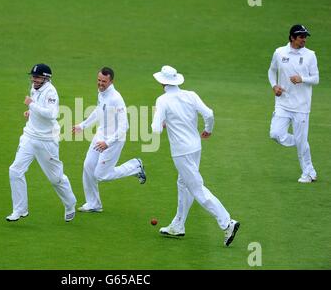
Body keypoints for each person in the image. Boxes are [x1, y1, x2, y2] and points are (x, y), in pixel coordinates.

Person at [151, 65, 239, 247]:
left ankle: (227, 222)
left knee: (197, 188)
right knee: (183, 184)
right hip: (195, 147)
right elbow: (209, 114)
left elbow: (155, 128)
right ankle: (178, 225)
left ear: (162, 82)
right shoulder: (190, 95)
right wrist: (208, 130)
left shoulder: (162, 100)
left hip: (181, 152)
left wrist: (162, 123)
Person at [7, 64, 77, 222]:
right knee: (15, 170)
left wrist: (31, 104)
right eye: (33, 76)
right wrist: (30, 112)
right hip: (29, 136)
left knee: (55, 179)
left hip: (47, 140)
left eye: (37, 77)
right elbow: (38, 109)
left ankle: (70, 203)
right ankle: (20, 209)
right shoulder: (34, 87)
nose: (34, 79)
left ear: (46, 78)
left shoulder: (51, 92)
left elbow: (52, 114)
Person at [72, 67, 146, 213]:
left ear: (111, 81)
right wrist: (83, 125)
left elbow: (124, 127)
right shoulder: (101, 93)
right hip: (100, 136)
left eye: (103, 81)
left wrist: (108, 143)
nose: (100, 84)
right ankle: (93, 203)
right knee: (88, 166)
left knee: (101, 175)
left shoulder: (116, 98)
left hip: (114, 141)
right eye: (99, 80)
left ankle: (135, 166)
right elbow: (98, 110)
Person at [268, 24, 319, 183]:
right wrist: (274, 86)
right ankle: (300, 141)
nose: (304, 39)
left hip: (301, 106)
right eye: (301, 37)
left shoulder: (310, 55)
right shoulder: (279, 52)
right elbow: (271, 71)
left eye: (305, 37)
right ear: (292, 38)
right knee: (275, 134)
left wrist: (302, 79)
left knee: (302, 141)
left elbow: (316, 79)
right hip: (282, 103)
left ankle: (308, 173)